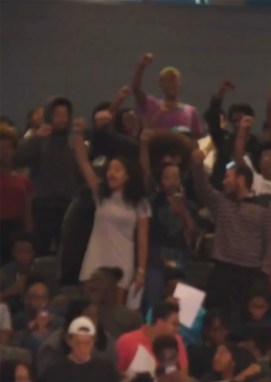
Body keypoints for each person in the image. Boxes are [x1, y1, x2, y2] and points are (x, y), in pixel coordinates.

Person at [189, 142, 271, 334]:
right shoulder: (221, 203)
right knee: (218, 320)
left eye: (227, 177)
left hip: (252, 274)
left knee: (246, 325)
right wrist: (197, 165)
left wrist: (266, 272)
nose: (223, 181)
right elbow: (201, 188)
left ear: (240, 179)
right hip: (223, 271)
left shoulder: (265, 209)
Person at [72, 117, 150, 302]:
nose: (111, 173)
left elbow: (142, 238)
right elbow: (83, 162)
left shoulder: (139, 202)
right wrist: (77, 134)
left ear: (128, 175)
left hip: (122, 258)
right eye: (109, 169)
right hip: (96, 255)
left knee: (116, 308)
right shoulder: (101, 194)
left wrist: (140, 270)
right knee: (90, 305)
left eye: (117, 169)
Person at [12, 96, 78, 255]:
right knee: (39, 251)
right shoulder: (40, 139)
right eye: (57, 114)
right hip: (43, 206)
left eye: (65, 114)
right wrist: (36, 138)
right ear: (49, 115)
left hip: (68, 206)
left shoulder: (73, 141)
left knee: (67, 252)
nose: (62, 119)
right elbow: (18, 159)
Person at [145, 161, 198, 310]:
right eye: (167, 177)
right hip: (156, 260)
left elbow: (193, 237)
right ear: (161, 181)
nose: (172, 181)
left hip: (181, 260)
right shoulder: (152, 203)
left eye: (175, 177)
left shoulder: (190, 205)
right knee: (154, 303)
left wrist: (184, 213)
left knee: (188, 308)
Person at [44, 316, 120, 382]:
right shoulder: (54, 369)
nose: (82, 348)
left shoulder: (106, 368)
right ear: (69, 341)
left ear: (94, 341)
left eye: (87, 343)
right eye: (77, 342)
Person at [36, 297, 115, 378]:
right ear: (75, 318)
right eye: (88, 315)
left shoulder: (107, 341)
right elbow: (45, 378)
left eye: (95, 316)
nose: (92, 321)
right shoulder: (52, 346)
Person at [204, 78, 259, 191]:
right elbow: (212, 119)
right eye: (234, 121)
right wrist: (220, 93)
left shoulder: (258, 145)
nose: (238, 124)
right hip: (220, 190)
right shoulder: (224, 140)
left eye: (241, 120)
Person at [130, 53, 203, 137]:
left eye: (174, 80)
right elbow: (136, 89)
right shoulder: (152, 104)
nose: (172, 84)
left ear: (180, 83)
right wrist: (141, 66)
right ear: (161, 84)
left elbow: (197, 139)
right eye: (168, 80)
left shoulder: (191, 111)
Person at [115, 300, 188, 375]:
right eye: (175, 324)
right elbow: (117, 374)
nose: (178, 329)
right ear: (160, 322)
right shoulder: (127, 341)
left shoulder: (177, 341)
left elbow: (182, 375)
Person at [0, 125, 32, 263]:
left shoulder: (23, 178)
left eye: (9, 147)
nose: (6, 152)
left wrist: (29, 236)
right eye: (1, 149)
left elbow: (27, 210)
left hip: (16, 229)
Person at [84, 267, 143, 339]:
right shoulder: (80, 310)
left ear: (111, 287)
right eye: (91, 281)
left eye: (97, 281)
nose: (91, 285)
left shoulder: (131, 317)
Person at [189, 310, 229, 379]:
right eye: (215, 330)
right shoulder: (196, 354)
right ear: (206, 330)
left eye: (223, 329)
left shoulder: (235, 350)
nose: (220, 333)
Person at [0, 232, 36, 302]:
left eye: (27, 252)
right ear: (13, 252)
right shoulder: (3, 273)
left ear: (34, 253)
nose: (23, 256)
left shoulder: (40, 270)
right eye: (20, 251)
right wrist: (11, 291)